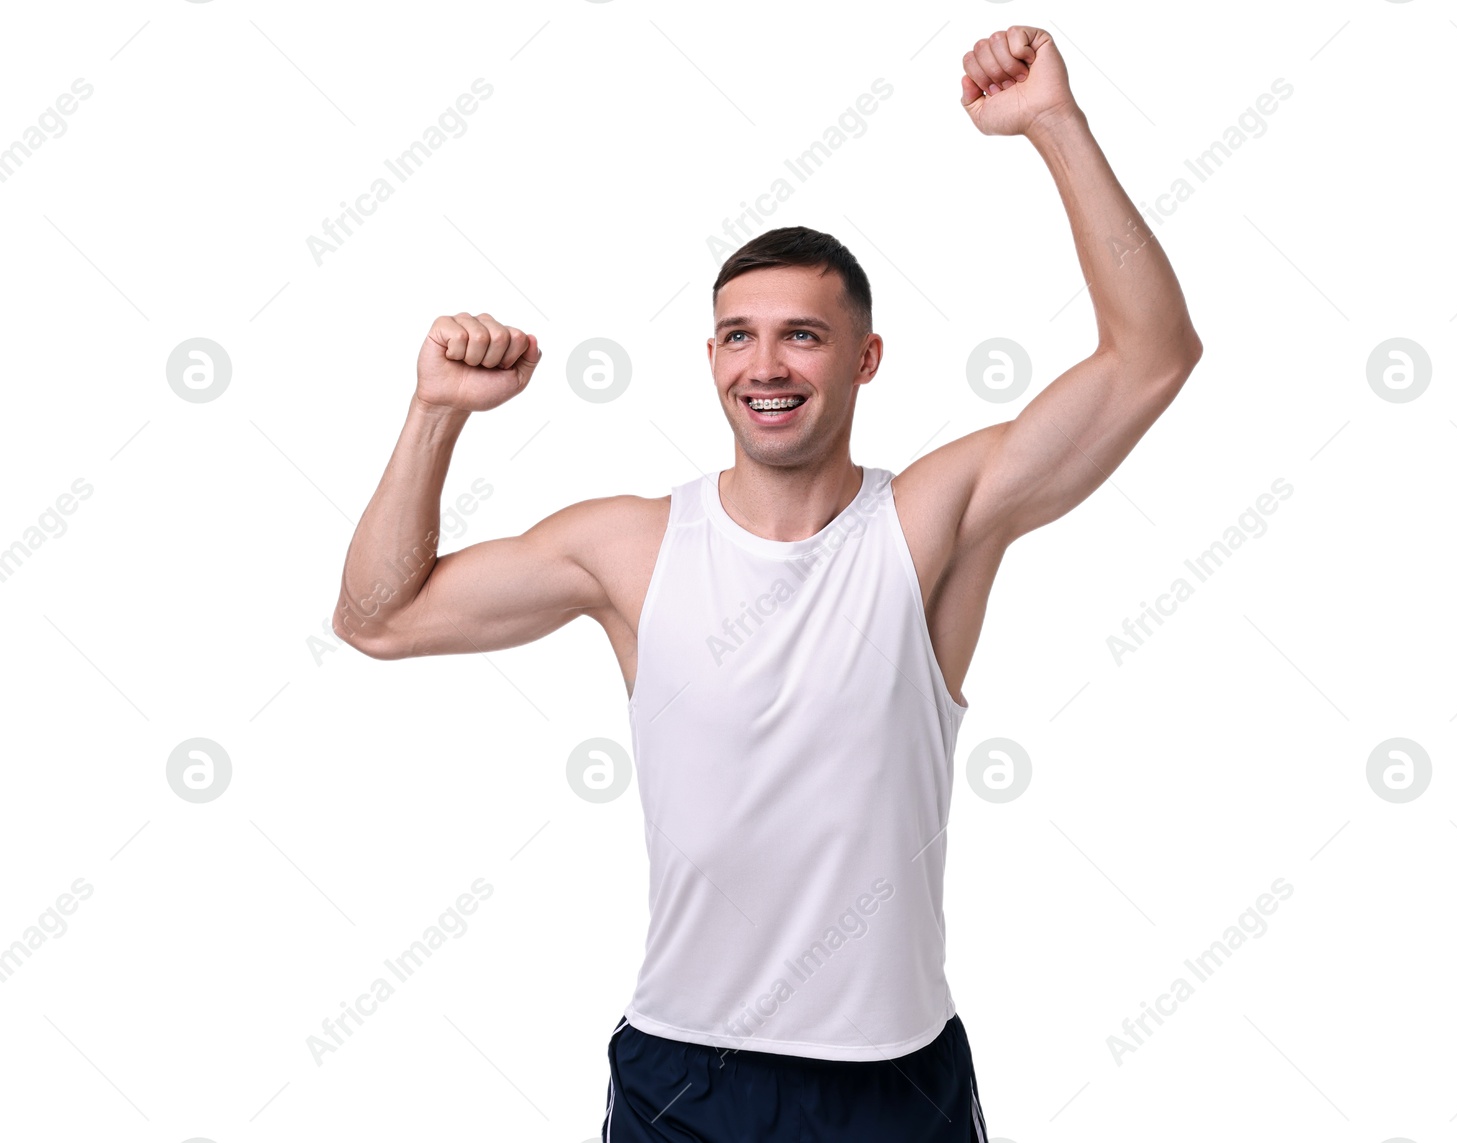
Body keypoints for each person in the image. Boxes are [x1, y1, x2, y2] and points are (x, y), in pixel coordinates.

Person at [334, 24, 1200, 1142]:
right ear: (710, 361)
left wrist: (1052, 126)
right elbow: (378, 619)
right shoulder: (631, 548)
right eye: (737, 338)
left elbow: (1151, 357)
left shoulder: (932, 521)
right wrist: (435, 412)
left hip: (890, 1075)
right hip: (686, 1071)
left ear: (864, 358)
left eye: (802, 336)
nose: (766, 366)